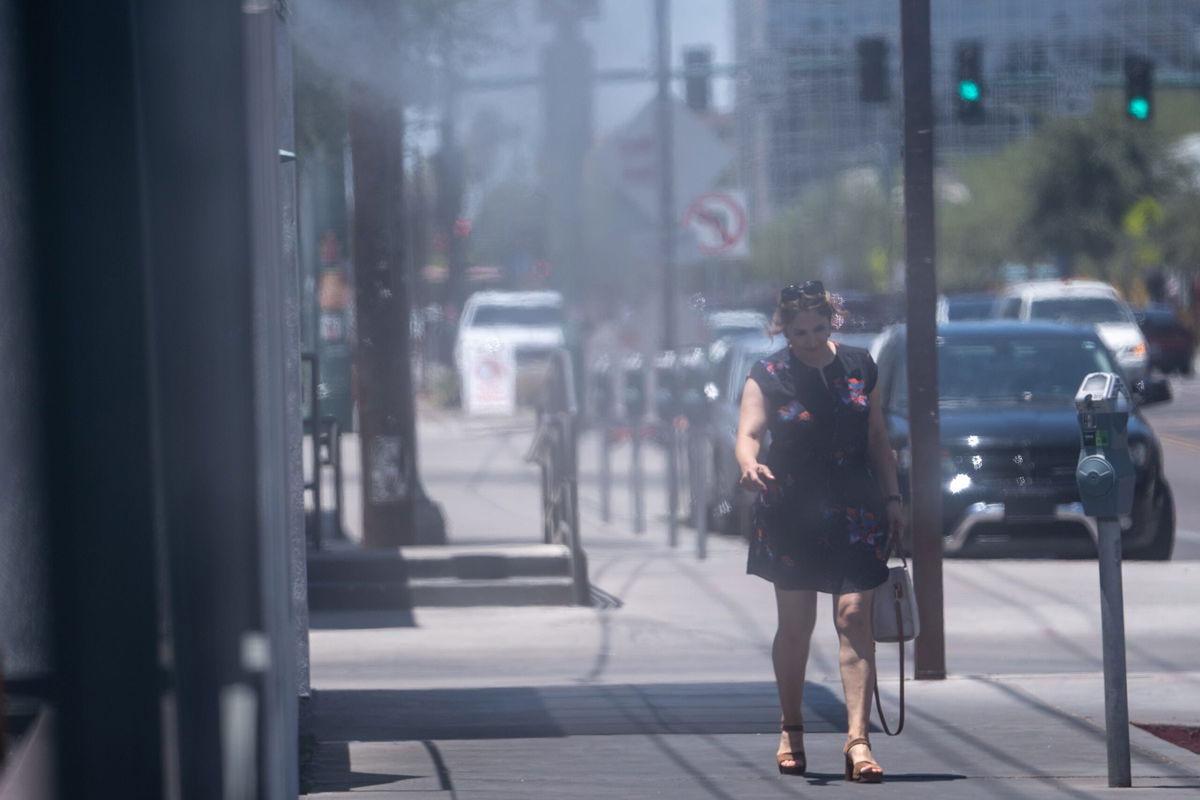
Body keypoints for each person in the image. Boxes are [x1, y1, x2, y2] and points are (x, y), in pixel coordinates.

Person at [734, 280, 904, 783]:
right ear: (782, 328)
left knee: (854, 616)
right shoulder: (769, 373)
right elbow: (747, 433)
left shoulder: (859, 366)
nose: (809, 340)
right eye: (798, 331)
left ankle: (858, 740)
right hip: (791, 510)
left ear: (833, 321)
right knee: (797, 624)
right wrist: (748, 465)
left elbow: (877, 437)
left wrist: (893, 499)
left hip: (856, 507)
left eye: (818, 328)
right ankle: (792, 727)